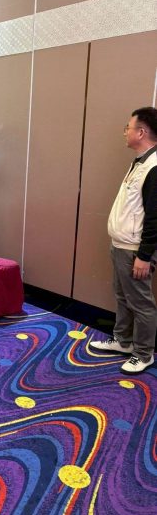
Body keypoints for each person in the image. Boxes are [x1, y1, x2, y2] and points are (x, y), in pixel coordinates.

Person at [90, 107, 157, 374]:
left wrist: (144, 256)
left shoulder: (154, 166)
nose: (125, 132)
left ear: (141, 132)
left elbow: (154, 218)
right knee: (122, 296)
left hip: (134, 250)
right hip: (121, 245)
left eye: (128, 127)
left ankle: (143, 353)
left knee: (141, 303)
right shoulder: (139, 161)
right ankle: (123, 341)